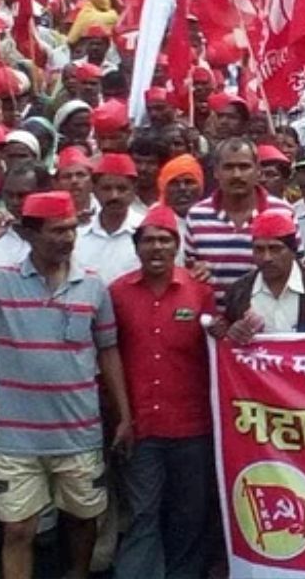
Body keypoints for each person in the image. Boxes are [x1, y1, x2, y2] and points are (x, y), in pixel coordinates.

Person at [0, 191, 131, 579]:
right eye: (57, 231)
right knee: (18, 529)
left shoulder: (93, 286)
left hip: (80, 433)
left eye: (71, 229)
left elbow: (108, 352)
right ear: (29, 235)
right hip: (18, 439)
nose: (67, 238)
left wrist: (124, 416)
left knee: (82, 520)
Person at [110, 204, 219, 579]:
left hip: (193, 428)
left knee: (189, 514)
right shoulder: (118, 293)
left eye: (164, 240)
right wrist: (123, 418)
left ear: (177, 246)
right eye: (148, 241)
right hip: (141, 428)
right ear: (136, 247)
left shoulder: (201, 291)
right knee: (143, 513)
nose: (156, 248)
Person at [185, 137, 294, 307]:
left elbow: (296, 269)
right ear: (216, 172)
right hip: (214, 325)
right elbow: (190, 273)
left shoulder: (283, 212)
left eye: (244, 167)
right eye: (229, 167)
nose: (237, 175)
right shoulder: (197, 215)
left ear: (258, 170)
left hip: (267, 321)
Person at [223, 210, 305, 336]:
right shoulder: (238, 292)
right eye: (259, 249)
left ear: (293, 251)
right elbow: (227, 341)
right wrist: (233, 332)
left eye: (275, 249)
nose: (267, 258)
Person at [74, 153, 142, 282]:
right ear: (94, 190)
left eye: (122, 189)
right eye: (106, 189)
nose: (114, 196)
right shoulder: (78, 233)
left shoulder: (146, 230)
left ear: (134, 190)